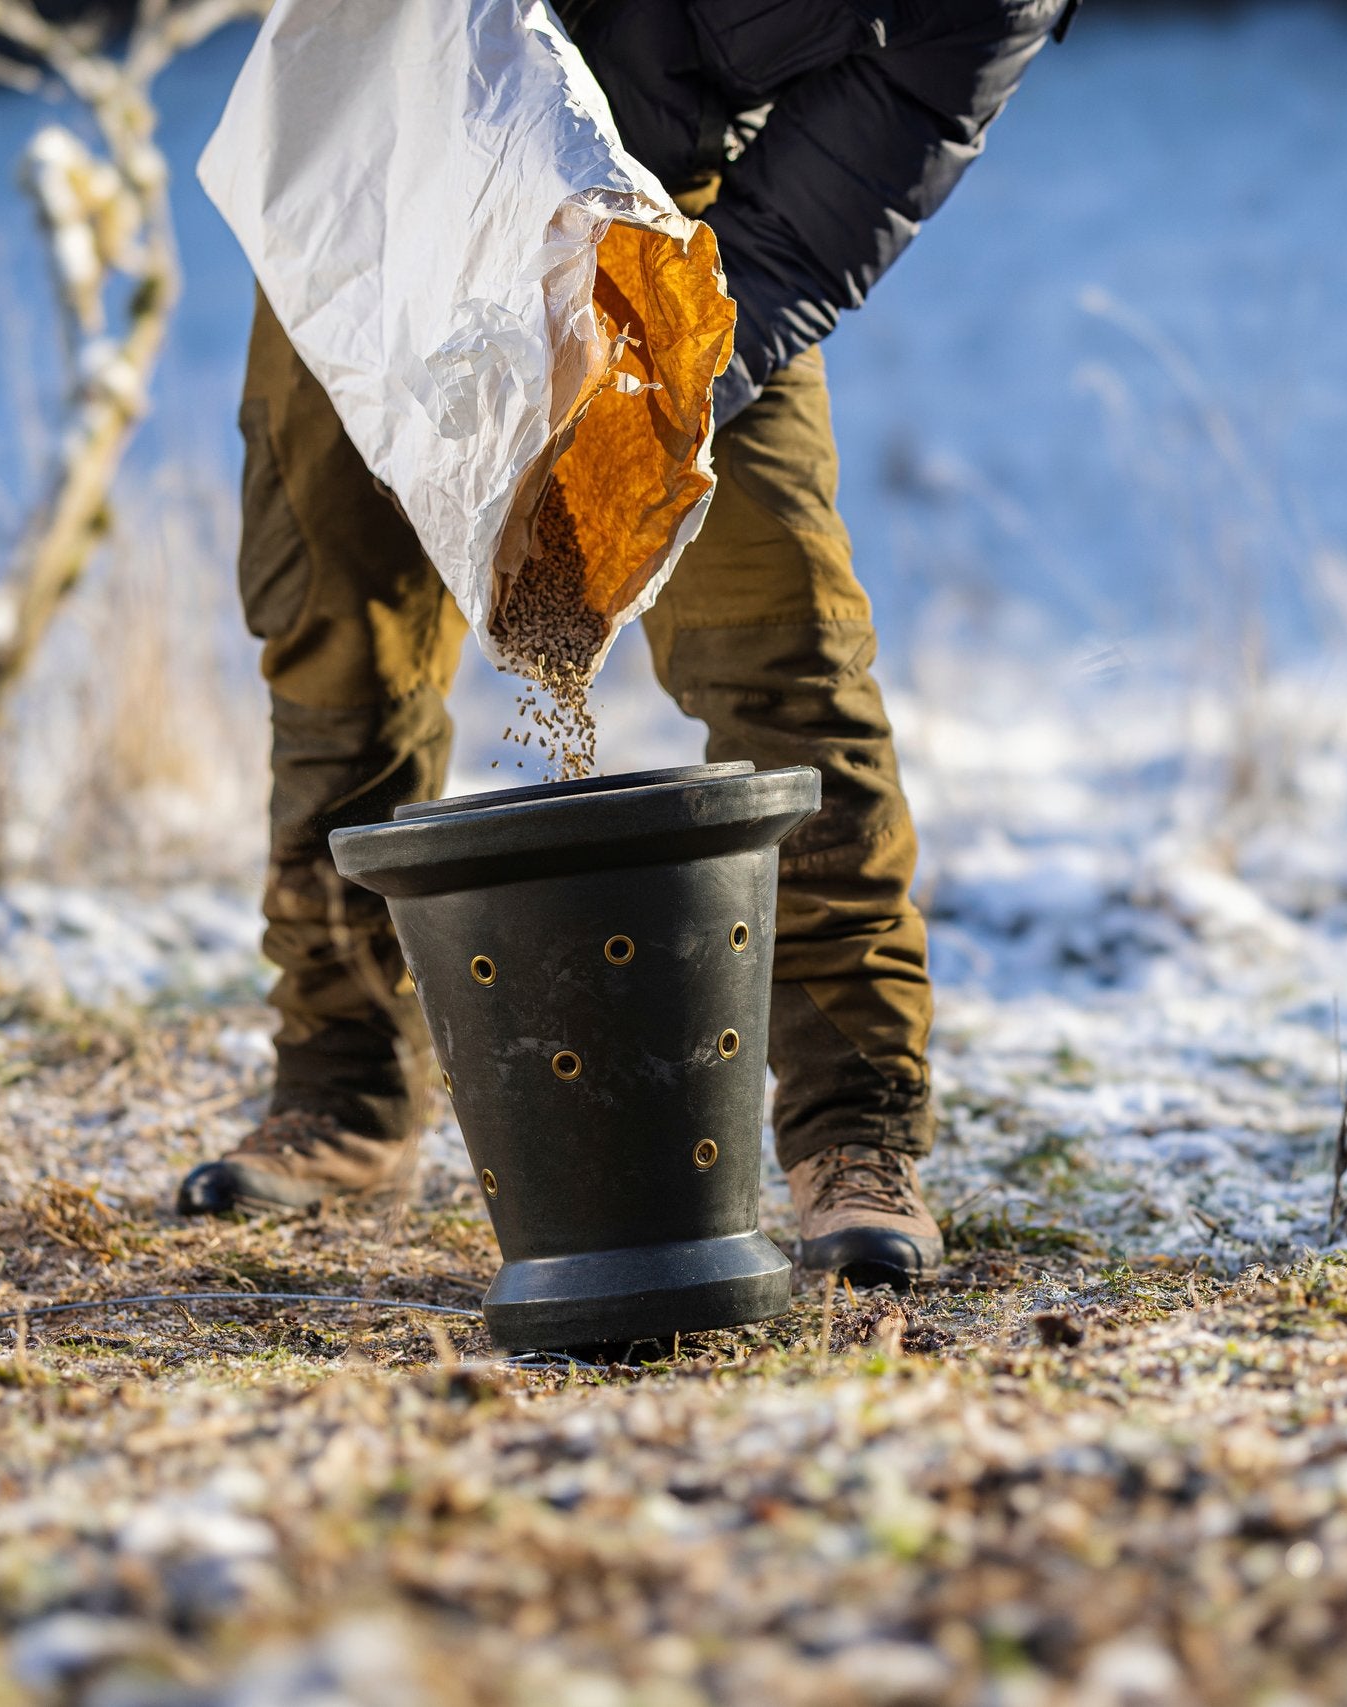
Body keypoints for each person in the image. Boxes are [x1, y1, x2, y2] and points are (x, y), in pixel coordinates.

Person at [177, 0, 1075, 1287]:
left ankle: (854, 1133)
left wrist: (652, 405)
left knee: (787, 651)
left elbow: (803, 228)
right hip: (388, 176)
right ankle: (344, 1088)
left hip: (657, 221)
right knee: (335, 631)